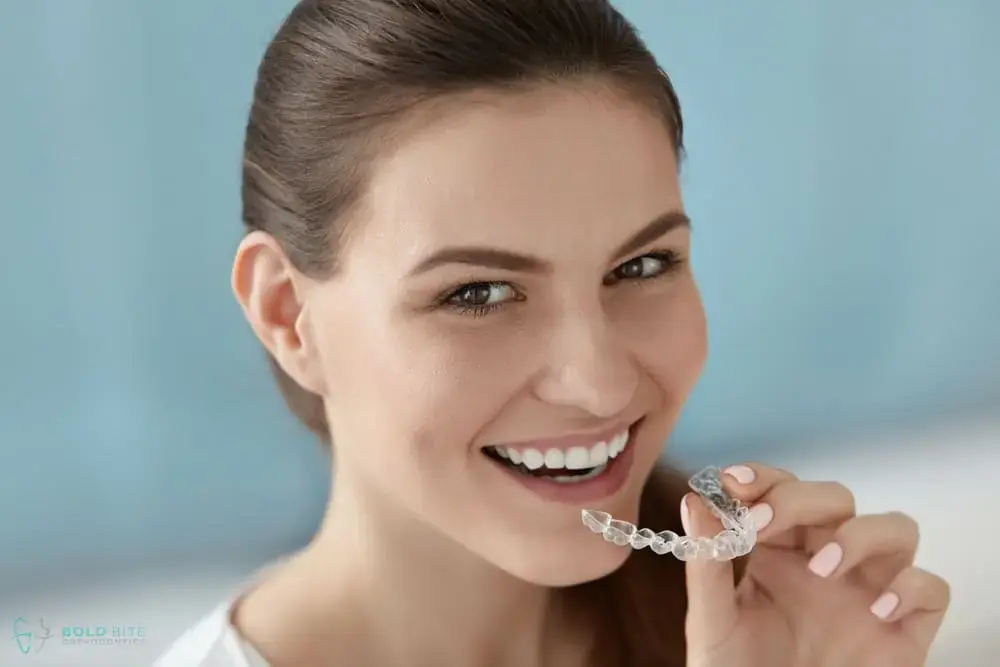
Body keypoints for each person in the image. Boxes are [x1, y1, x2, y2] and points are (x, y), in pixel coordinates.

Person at [154, 1, 951, 665]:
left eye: (640, 266)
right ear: (288, 315)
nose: (600, 383)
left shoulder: (769, 631)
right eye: (478, 292)